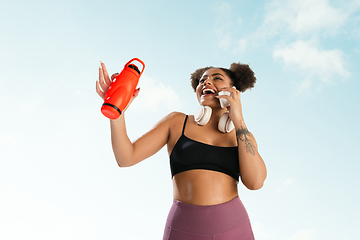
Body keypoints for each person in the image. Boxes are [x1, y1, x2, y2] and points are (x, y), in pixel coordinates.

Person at [96, 61, 267, 240]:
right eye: (202, 80)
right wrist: (117, 111)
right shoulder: (176, 123)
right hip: (183, 228)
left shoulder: (242, 136)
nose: (206, 82)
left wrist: (238, 119)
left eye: (217, 78)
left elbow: (255, 183)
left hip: (233, 228)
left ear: (233, 90)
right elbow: (126, 158)